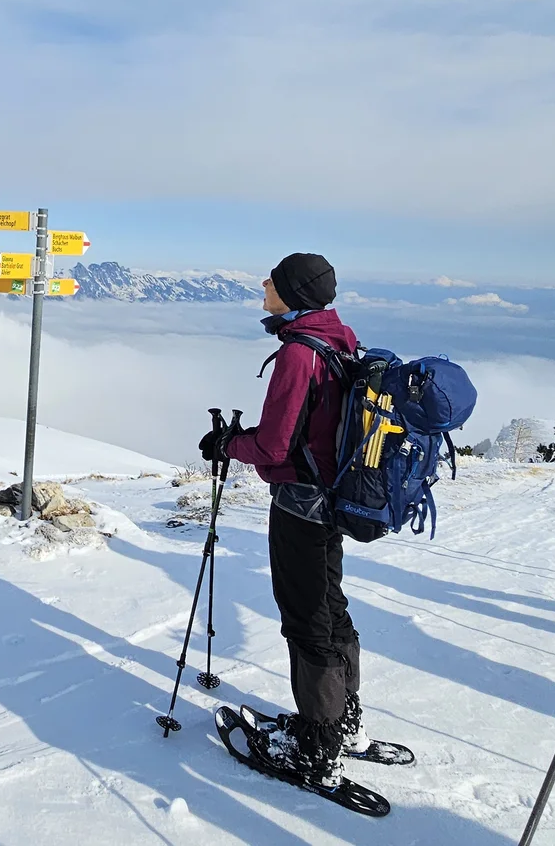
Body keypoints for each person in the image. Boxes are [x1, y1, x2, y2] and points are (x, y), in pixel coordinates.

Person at [198, 251, 362, 785]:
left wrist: (228, 443)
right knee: (329, 606)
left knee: (305, 615)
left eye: (275, 279)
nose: (264, 283)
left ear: (294, 293)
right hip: (335, 497)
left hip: (302, 503)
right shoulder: (340, 336)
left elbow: (273, 445)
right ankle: (341, 721)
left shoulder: (299, 353)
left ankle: (318, 744)